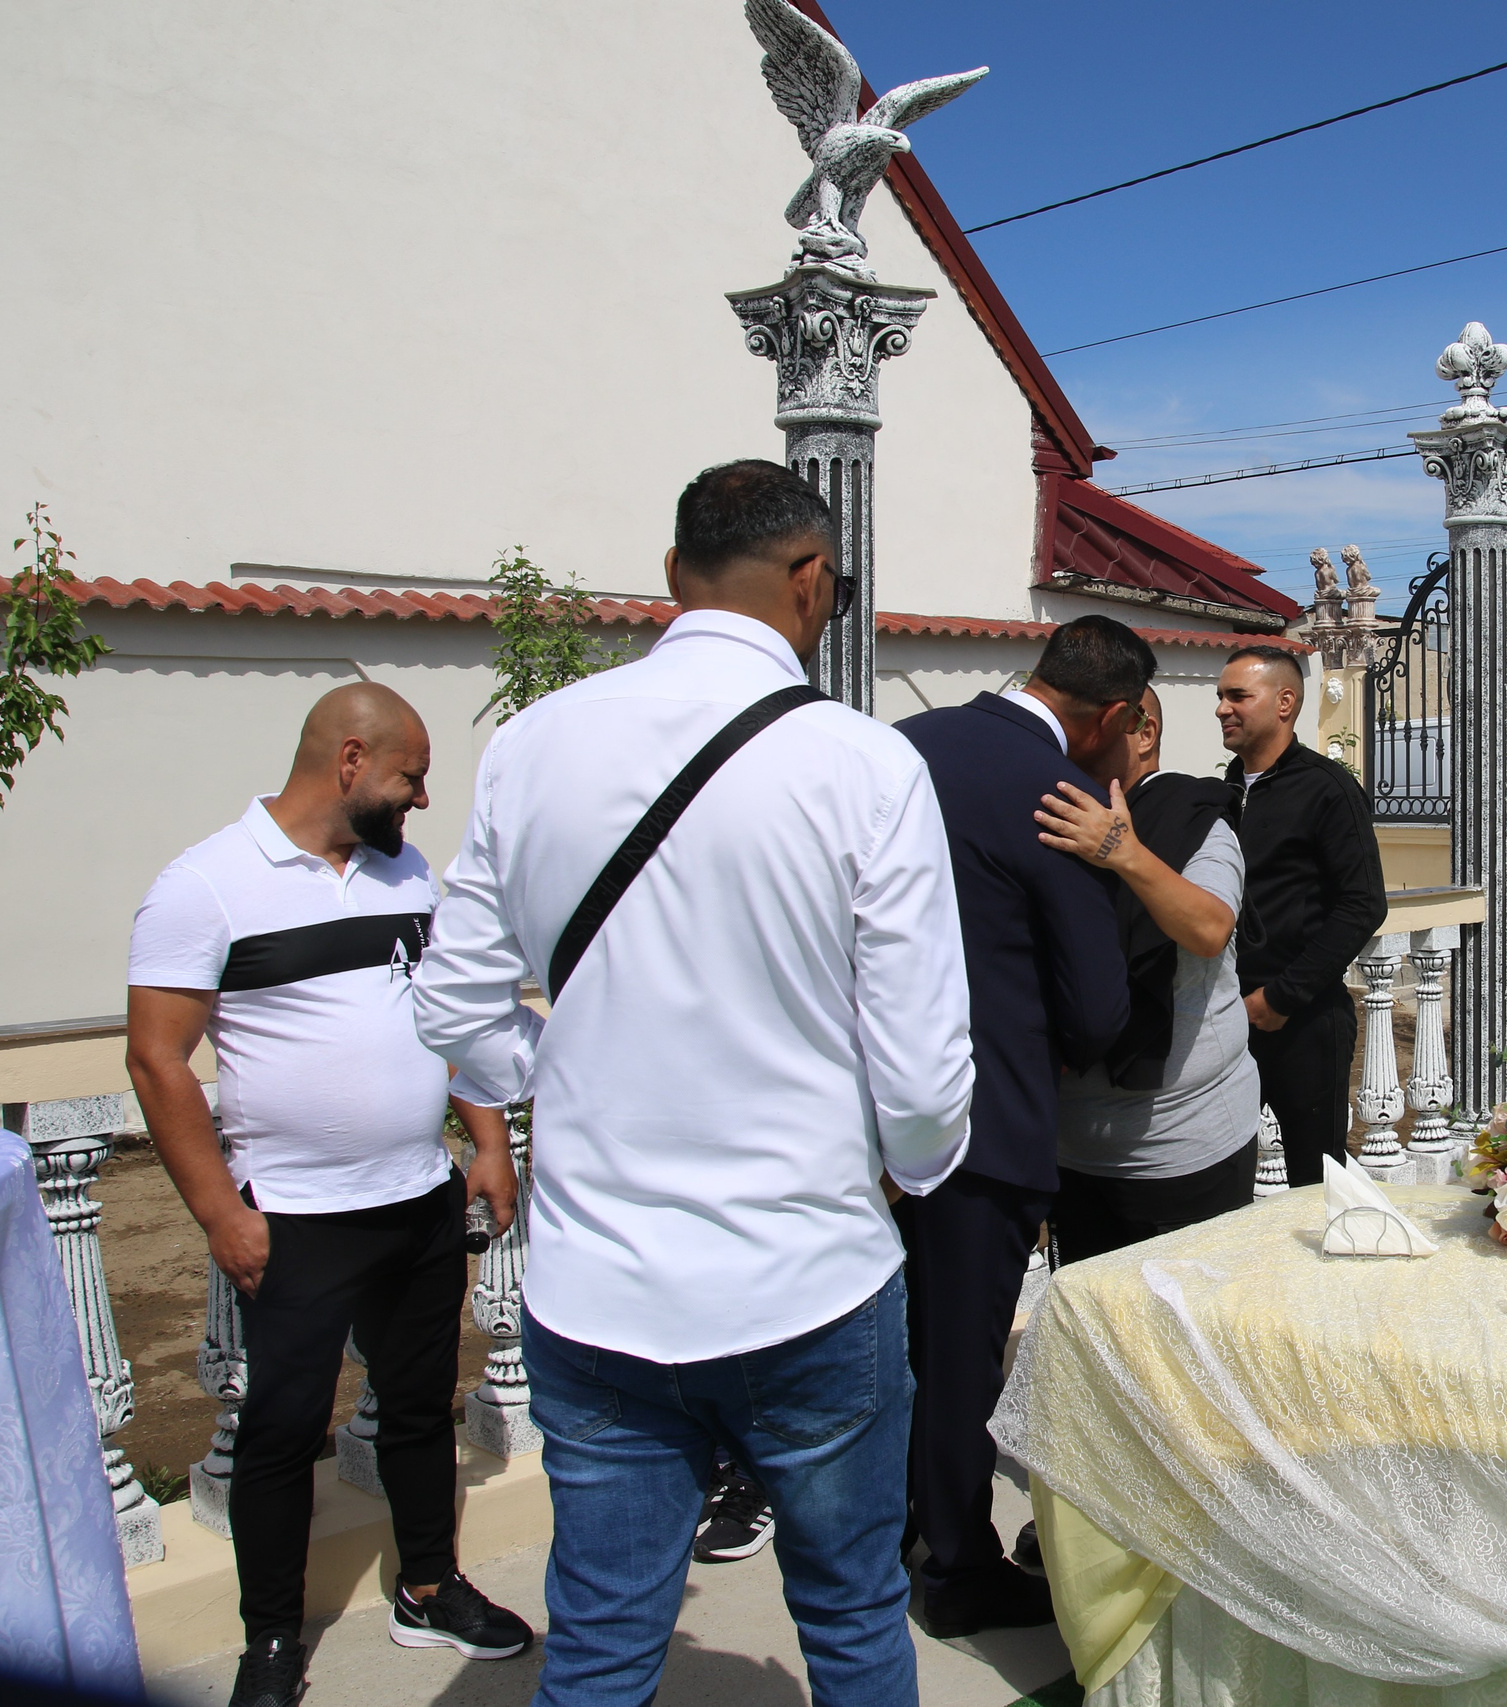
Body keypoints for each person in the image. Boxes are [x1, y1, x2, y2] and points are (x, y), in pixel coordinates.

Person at [412, 460, 973, 1707]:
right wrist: (913, 1170)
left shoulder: (533, 743)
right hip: (809, 1274)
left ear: (673, 576)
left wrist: (549, 1077)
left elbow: (450, 1006)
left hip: (598, 1286)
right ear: (813, 580)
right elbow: (926, 1067)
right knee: (852, 1615)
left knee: (603, 1641)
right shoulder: (863, 764)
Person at [125, 683, 533, 1707]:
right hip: (295, 1217)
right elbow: (157, 1060)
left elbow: (453, 1017)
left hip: (418, 1201)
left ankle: (429, 1589)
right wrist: (223, 1213)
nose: (423, 800)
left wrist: (484, 1141)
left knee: (417, 1408)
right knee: (280, 1429)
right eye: (412, 776)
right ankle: (271, 1639)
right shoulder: (207, 885)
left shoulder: (406, 876)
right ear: (350, 760)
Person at [893, 618, 1140, 1636]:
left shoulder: (909, 742)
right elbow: (1095, 1008)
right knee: (957, 1350)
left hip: (857, 1107)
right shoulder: (1054, 794)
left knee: (882, 1342)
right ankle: (953, 1563)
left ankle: (889, 1527)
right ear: (1113, 715)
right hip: (978, 1117)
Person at [1035, 687, 1256, 1263]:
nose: (1072, 741)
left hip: (1186, 1143)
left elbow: (1210, 929)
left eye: (1091, 726)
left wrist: (1121, 851)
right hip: (1076, 1145)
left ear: (1144, 733)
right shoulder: (1055, 817)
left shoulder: (1194, 819)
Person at [1214, 646, 1385, 1187]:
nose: (1223, 708)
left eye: (1238, 695)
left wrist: (1281, 998)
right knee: (1222, 1167)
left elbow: (1362, 904)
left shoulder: (1326, 789)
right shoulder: (1223, 791)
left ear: (1285, 702)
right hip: (1224, 1017)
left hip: (1304, 1019)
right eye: (1220, 696)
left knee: (1317, 1179)